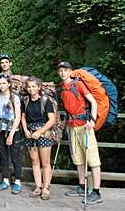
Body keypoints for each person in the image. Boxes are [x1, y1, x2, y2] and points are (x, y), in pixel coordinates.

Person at [57, 62, 103, 205]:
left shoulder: (78, 85)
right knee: (78, 158)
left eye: (65, 70)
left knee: (92, 159)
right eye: (60, 71)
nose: (63, 73)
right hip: (71, 126)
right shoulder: (62, 88)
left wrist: (93, 121)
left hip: (85, 126)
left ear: (71, 72)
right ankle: (82, 186)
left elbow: (93, 102)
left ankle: (96, 192)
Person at [21, 77, 55, 200]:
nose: (31, 89)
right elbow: (23, 117)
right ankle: (38, 186)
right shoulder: (25, 101)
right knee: (34, 161)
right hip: (30, 133)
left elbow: (52, 120)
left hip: (43, 132)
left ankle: (46, 188)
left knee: (45, 162)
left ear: (39, 87)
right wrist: (25, 130)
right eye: (29, 87)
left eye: (34, 86)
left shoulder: (46, 101)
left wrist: (40, 132)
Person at [0, 74, 22, 194]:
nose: (2, 85)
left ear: (9, 84)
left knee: (15, 156)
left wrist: (12, 134)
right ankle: (5, 180)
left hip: (13, 130)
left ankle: (18, 181)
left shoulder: (15, 98)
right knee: (3, 156)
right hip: (0, 128)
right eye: (0, 83)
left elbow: (18, 116)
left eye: (4, 83)